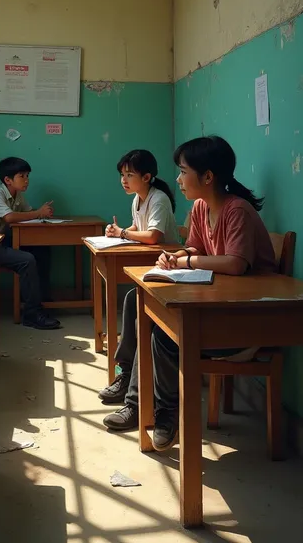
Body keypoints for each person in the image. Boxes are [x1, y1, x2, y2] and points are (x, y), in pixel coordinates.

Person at [151, 135, 275, 451]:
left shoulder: (237, 210)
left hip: (246, 324)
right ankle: (135, 395)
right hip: (219, 310)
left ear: (207, 177)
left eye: (182, 171)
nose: (177, 179)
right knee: (139, 305)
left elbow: (234, 264)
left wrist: (187, 259)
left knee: (162, 334)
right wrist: (177, 256)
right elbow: (196, 246)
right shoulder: (200, 207)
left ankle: (165, 413)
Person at [99, 149, 179, 431]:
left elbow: (154, 236)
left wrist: (123, 234)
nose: (124, 180)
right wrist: (119, 230)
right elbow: (139, 227)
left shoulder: (159, 198)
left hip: (167, 265)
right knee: (133, 298)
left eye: (129, 175)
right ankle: (126, 372)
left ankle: (135, 398)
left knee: (138, 303)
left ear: (147, 177)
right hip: (157, 264)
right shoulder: (138, 199)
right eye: (122, 175)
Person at [0, 157, 61, 330]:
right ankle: (31, 314)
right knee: (27, 259)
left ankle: (39, 300)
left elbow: (28, 212)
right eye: (22, 176)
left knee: (42, 250)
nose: (26, 180)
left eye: (27, 175)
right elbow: (10, 217)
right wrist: (38, 213)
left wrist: (41, 213)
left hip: (4, 240)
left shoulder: (18, 195)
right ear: (8, 180)